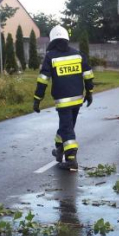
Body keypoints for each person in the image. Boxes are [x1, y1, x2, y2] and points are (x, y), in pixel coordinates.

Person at [33, 25, 94, 171]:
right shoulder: (78, 54)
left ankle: (71, 160)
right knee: (67, 126)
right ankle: (59, 150)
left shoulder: (50, 57)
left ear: (52, 40)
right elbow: (88, 74)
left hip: (62, 100)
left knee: (67, 128)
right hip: (78, 99)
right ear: (66, 38)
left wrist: (37, 99)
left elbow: (43, 80)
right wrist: (89, 92)